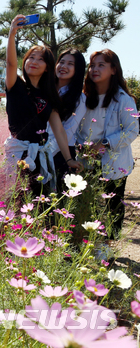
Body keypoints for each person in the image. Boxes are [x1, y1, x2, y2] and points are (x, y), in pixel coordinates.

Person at [3, 15, 82, 190]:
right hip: (17, 155)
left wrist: (69, 159)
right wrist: (12, 34)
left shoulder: (49, 95)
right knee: (17, 201)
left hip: (40, 156)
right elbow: (9, 63)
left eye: (40, 59)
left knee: (40, 202)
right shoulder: (15, 86)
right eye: (31, 57)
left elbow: (59, 129)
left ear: (48, 67)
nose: (34, 62)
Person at [75, 49, 138, 238]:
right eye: (92, 65)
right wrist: (81, 147)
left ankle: (111, 247)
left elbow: (132, 130)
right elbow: (75, 127)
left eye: (101, 65)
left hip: (114, 163)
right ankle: (92, 245)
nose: (95, 69)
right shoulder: (83, 98)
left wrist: (104, 144)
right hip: (86, 160)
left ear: (113, 69)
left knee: (113, 207)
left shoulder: (123, 99)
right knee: (88, 204)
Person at [44, 49, 87, 191]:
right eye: (61, 62)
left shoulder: (79, 99)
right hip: (38, 150)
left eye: (70, 64)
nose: (63, 66)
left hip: (61, 154)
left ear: (78, 69)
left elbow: (67, 131)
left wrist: (45, 156)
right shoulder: (45, 89)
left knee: (55, 201)